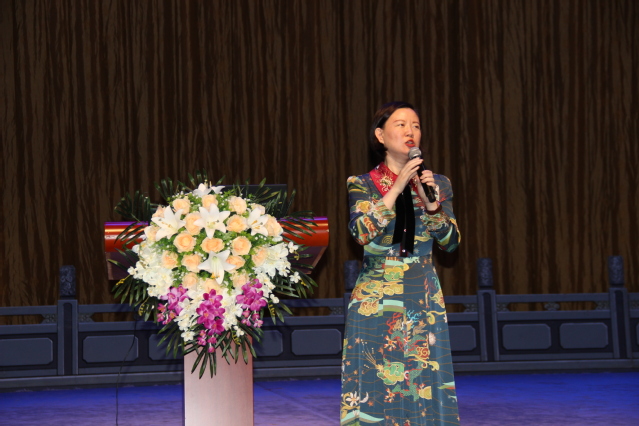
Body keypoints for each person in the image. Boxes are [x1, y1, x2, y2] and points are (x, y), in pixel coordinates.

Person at [340, 101, 461, 425]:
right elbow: (362, 234)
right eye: (401, 124)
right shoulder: (361, 183)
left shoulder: (438, 183)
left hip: (422, 292)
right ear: (380, 135)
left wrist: (431, 203)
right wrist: (396, 187)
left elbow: (451, 243)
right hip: (376, 295)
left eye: (416, 126)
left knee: (424, 380)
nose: (410, 131)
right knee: (377, 383)